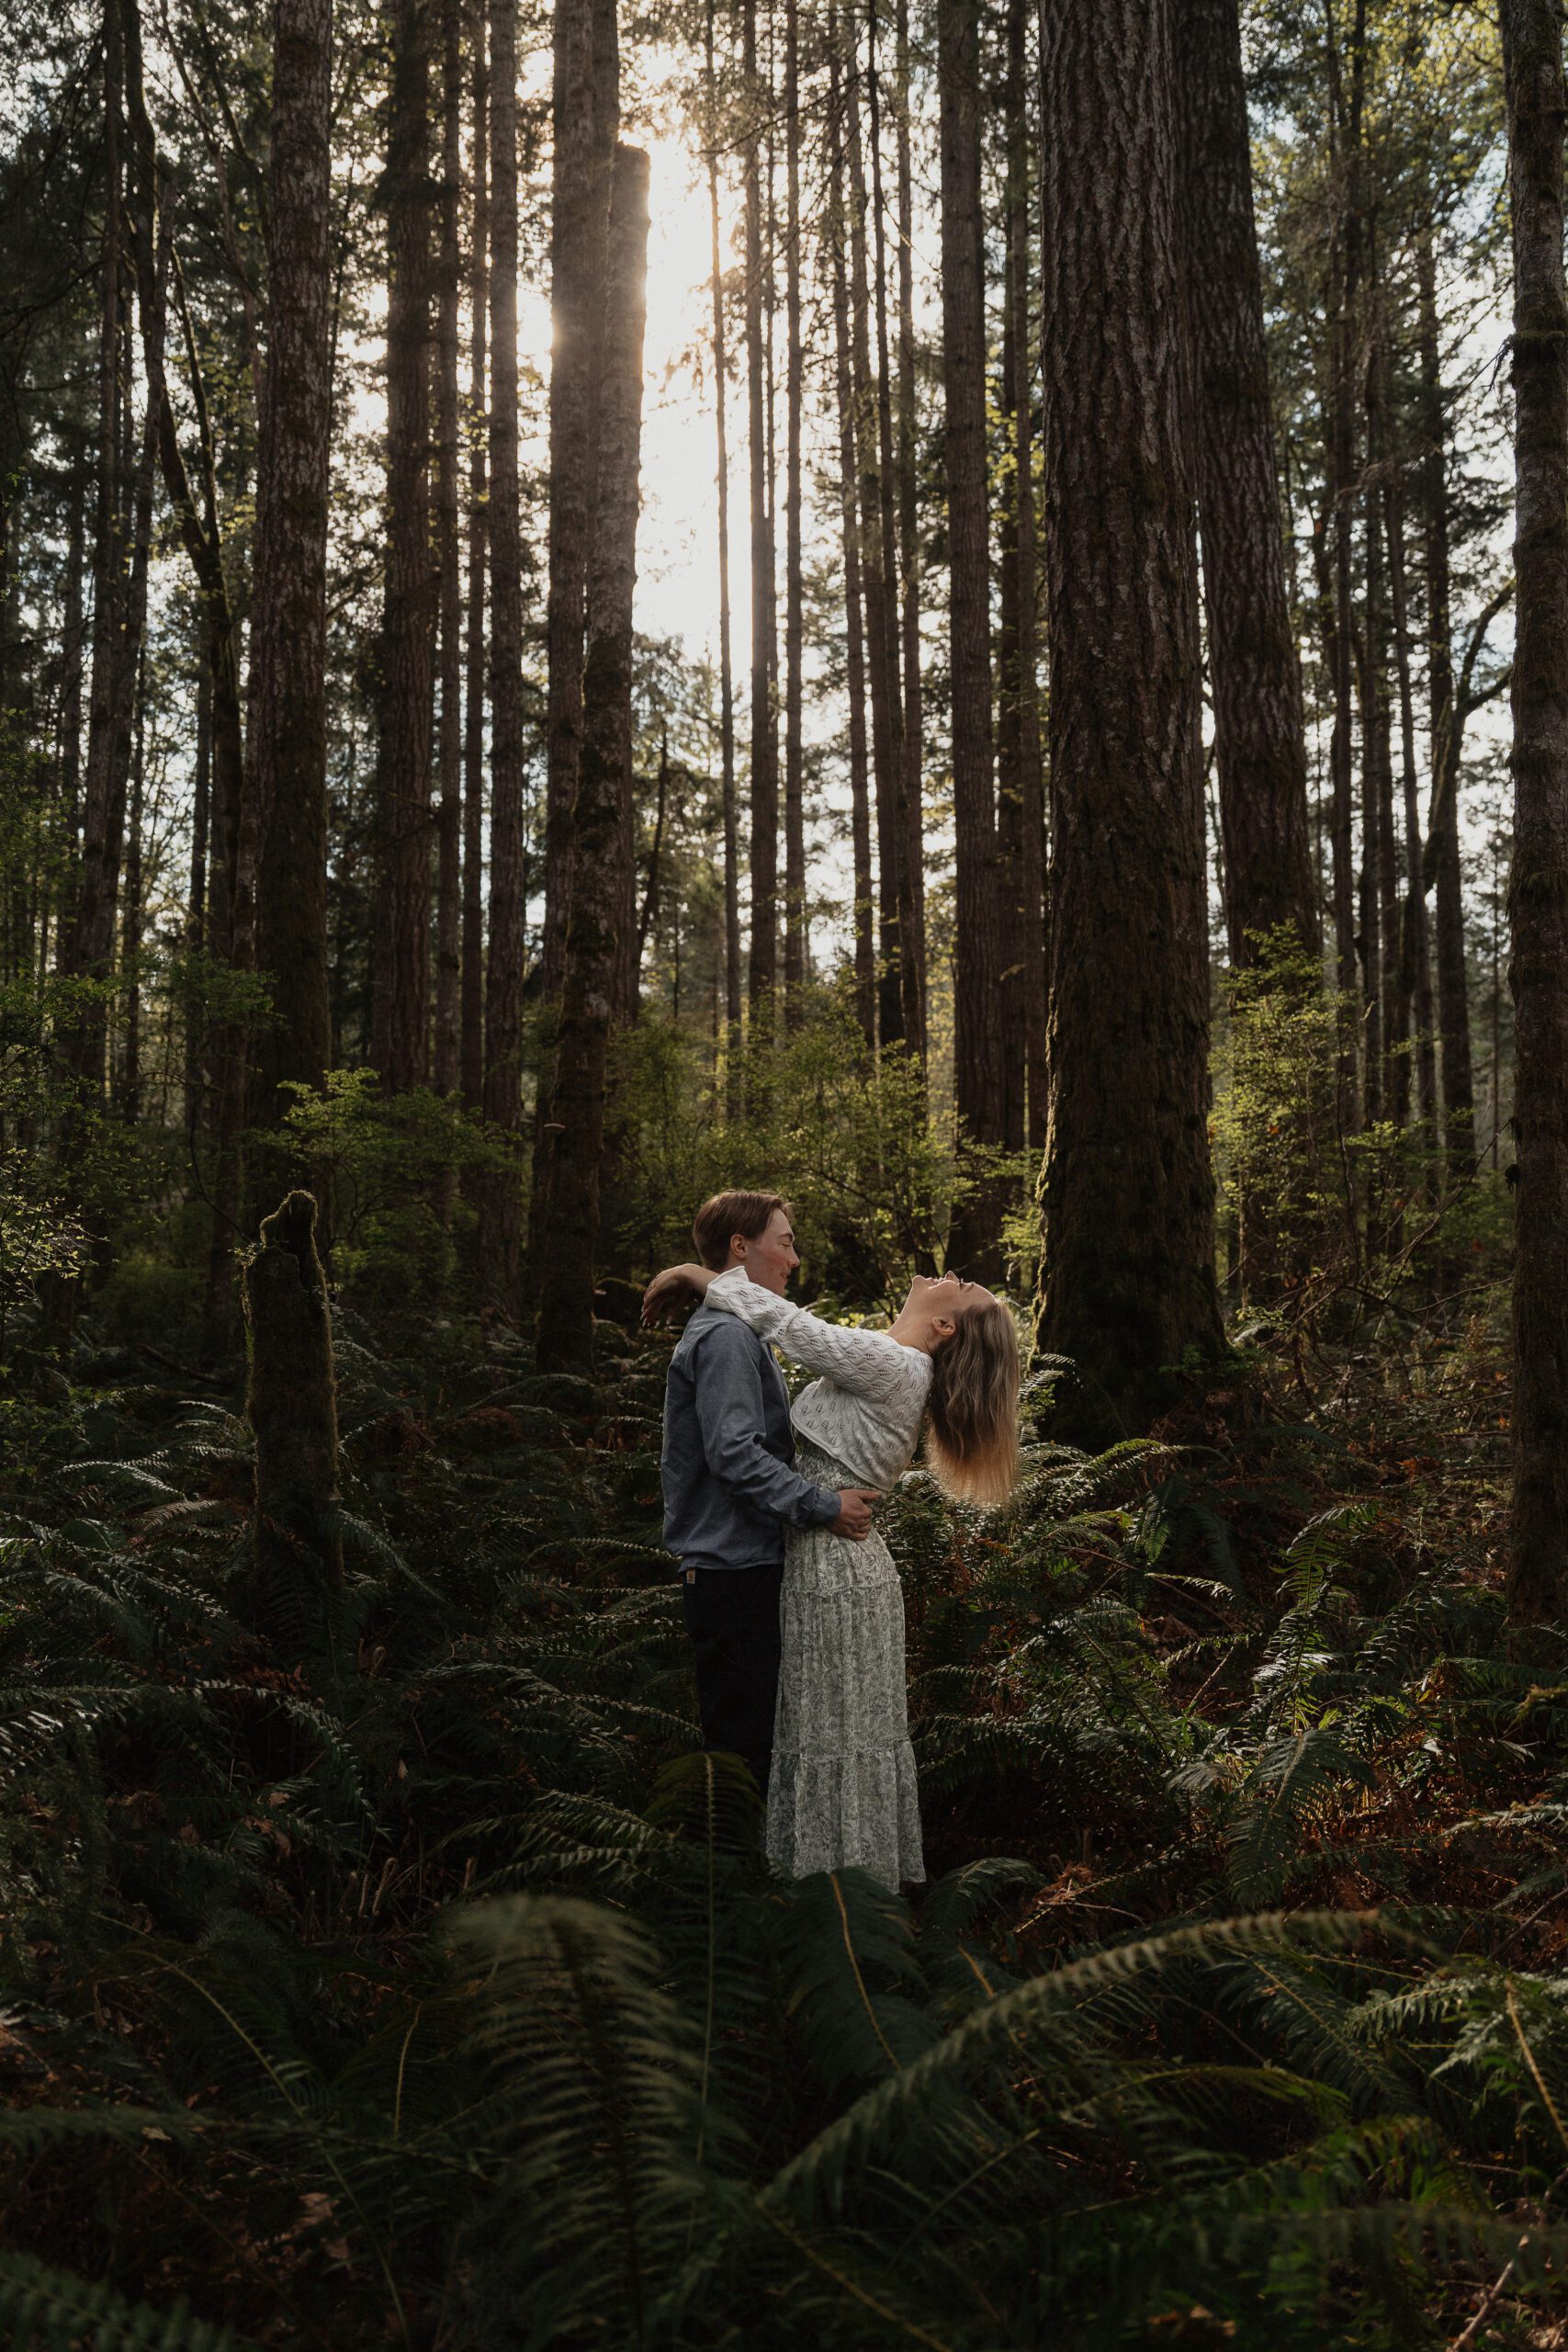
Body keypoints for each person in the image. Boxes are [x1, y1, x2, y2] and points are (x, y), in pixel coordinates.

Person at [647, 1245, 1021, 1890]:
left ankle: (840, 1906)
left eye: (965, 1288)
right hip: (835, 1561)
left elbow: (786, 1325)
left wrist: (688, 1273)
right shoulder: (891, 1361)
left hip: (835, 1570)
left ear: (945, 1327)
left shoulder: (893, 1365)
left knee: (831, 1739)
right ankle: (836, 1903)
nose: (953, 1276)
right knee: (827, 1734)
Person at [659, 1191, 881, 1797]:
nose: (794, 1259)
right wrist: (824, 1505)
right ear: (740, 1248)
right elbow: (732, 1454)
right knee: (740, 1752)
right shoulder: (728, 1337)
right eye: (784, 1243)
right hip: (732, 1571)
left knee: (750, 1742)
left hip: (739, 1567)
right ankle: (726, 1882)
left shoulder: (737, 1332)